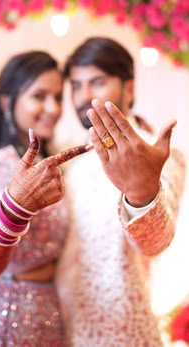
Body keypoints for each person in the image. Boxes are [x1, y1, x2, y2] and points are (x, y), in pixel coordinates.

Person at [0, 51, 91, 347]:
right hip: (10, 315)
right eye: (39, 96)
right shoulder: (3, 166)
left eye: (57, 96)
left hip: (48, 311)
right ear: (7, 101)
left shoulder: (44, 160)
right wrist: (17, 206)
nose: (53, 108)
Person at [55, 37, 186, 347]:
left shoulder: (158, 153)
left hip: (123, 334)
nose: (83, 96)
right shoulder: (69, 156)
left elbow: (155, 240)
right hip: (62, 329)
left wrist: (141, 192)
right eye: (76, 85)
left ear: (129, 88)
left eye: (97, 82)